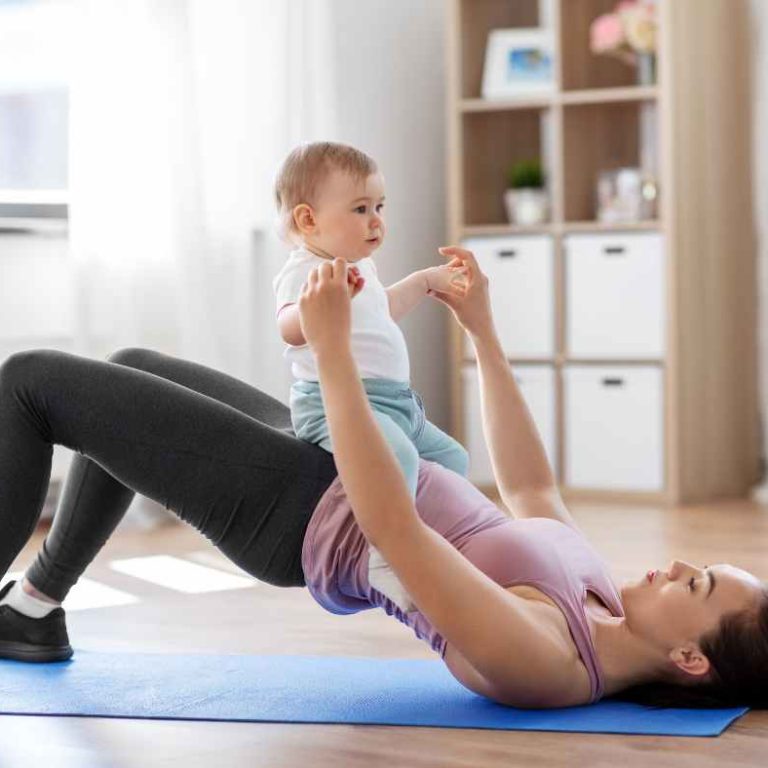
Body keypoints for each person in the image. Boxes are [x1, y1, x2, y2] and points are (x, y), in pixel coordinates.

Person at [0, 247, 766, 709]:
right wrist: (484, 336)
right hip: (332, 461)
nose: (675, 566)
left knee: (30, 382)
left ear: (690, 660)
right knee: (130, 371)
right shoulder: (599, 601)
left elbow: (394, 530)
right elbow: (532, 490)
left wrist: (335, 354)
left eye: (693, 586)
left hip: (301, 512)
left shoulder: (550, 660)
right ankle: (34, 609)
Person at [272, 141, 469, 612]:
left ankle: (444, 546)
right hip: (335, 407)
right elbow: (288, 328)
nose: (376, 220)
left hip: (396, 403)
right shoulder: (308, 272)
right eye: (361, 209)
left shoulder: (361, 268)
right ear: (307, 220)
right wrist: (321, 304)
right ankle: (384, 559)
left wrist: (422, 282)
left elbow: (381, 315)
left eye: (379, 206)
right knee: (397, 456)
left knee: (454, 461)